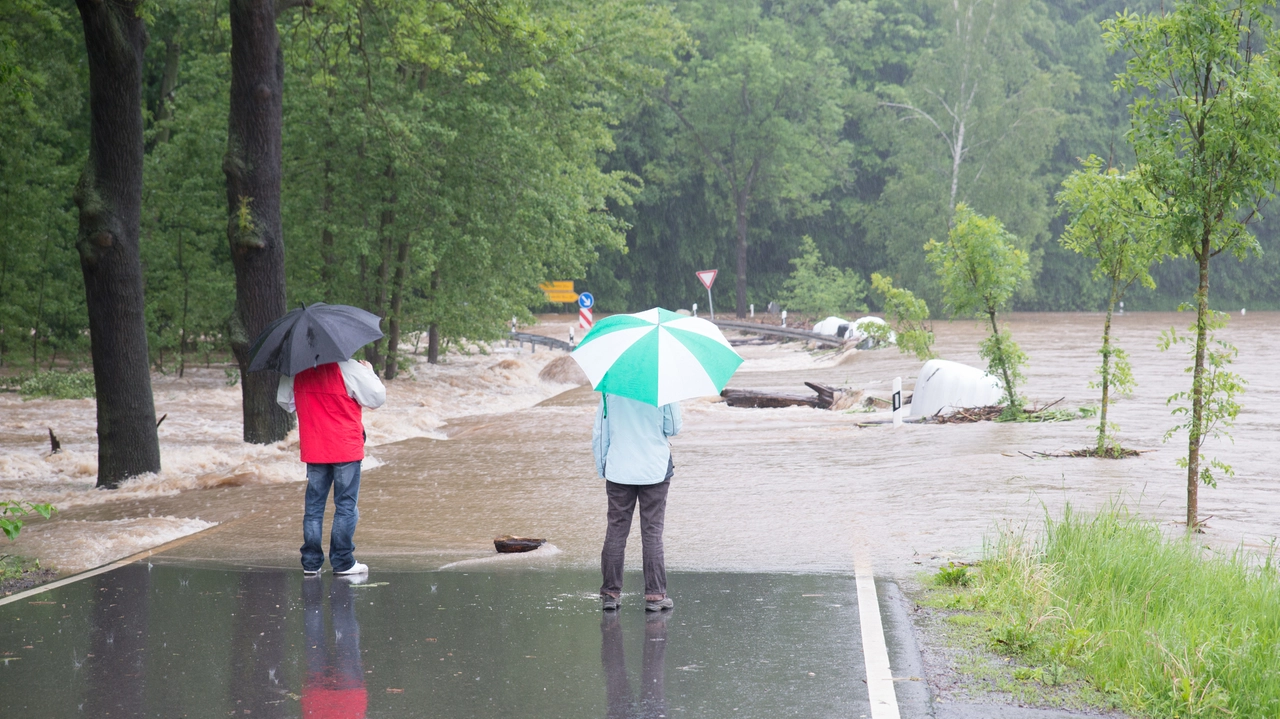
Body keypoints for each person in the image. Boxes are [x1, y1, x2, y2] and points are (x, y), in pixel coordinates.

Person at [277, 358, 385, 577]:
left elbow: (285, 402)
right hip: (345, 446)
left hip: (315, 446)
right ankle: (343, 562)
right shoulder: (350, 367)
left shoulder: (295, 370)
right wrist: (370, 372)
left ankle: (311, 562)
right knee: (345, 505)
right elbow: (376, 398)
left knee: (314, 506)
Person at [593, 392, 681, 611]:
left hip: (619, 468)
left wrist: (604, 466)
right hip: (654, 468)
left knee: (616, 530)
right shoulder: (663, 384)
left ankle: (610, 594)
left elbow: (601, 432)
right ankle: (656, 596)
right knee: (652, 532)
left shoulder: (610, 386)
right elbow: (673, 427)